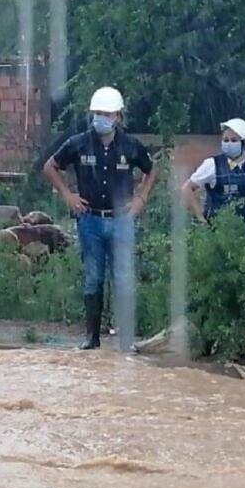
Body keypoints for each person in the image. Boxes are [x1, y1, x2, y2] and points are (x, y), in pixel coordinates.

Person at [42, 86, 159, 351]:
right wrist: (67, 194)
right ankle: (91, 338)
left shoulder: (130, 146)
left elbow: (152, 171)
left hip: (121, 220)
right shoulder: (79, 143)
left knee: (123, 277)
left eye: (106, 114)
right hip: (90, 219)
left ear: (117, 116)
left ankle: (126, 340)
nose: (100, 119)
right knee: (93, 277)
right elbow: (50, 166)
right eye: (96, 113)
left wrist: (141, 198)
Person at [180, 118, 245, 222]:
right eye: (226, 140)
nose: (229, 143)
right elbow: (187, 188)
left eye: (234, 140)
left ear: (243, 143)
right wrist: (200, 218)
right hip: (218, 231)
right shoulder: (212, 165)